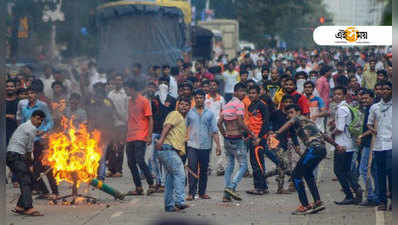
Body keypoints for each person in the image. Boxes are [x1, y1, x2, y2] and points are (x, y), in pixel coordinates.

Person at [273, 104, 339, 215]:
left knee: (296, 176)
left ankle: (305, 205)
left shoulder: (298, 118)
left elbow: (290, 122)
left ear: (298, 112)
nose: (289, 116)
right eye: (287, 114)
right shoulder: (309, 122)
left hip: (314, 149)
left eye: (291, 112)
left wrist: (276, 133)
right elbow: (324, 136)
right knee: (308, 174)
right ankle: (317, 202)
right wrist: (337, 146)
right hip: (321, 150)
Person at [246, 84, 287, 195]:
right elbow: (251, 123)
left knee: (258, 164)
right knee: (255, 163)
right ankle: (260, 186)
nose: (251, 95)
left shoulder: (262, 105)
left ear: (258, 94)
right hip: (252, 138)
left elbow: (265, 122)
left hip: (259, 139)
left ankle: (260, 188)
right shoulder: (250, 106)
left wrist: (259, 137)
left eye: (254, 93)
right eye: (250, 93)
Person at [217, 82, 254, 202]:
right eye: (241, 91)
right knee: (243, 166)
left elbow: (219, 123)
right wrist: (251, 133)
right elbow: (240, 122)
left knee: (230, 165)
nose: (243, 93)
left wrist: (224, 134)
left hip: (228, 138)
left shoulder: (227, 104)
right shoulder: (239, 104)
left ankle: (226, 195)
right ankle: (232, 187)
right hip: (237, 138)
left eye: (245, 91)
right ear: (235, 92)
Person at [7, 110, 46, 217]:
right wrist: (30, 165)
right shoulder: (31, 128)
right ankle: (28, 207)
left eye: (41, 120)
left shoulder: (25, 126)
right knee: (26, 180)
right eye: (38, 119)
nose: (39, 122)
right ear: (32, 117)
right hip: (15, 155)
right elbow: (29, 150)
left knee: (30, 180)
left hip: (14, 155)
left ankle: (20, 206)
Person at [155, 98, 191, 212]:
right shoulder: (175, 114)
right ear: (177, 105)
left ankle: (169, 205)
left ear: (189, 107)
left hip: (170, 151)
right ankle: (179, 201)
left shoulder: (182, 120)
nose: (184, 106)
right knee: (180, 174)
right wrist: (160, 140)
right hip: (167, 149)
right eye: (182, 104)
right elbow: (167, 126)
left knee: (170, 179)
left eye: (186, 105)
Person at [186, 89, 221, 201]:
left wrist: (218, 146)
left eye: (201, 97)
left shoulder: (210, 114)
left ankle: (202, 192)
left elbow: (214, 130)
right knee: (192, 168)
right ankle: (191, 193)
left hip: (206, 145)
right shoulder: (189, 113)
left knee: (204, 170)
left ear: (204, 99)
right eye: (196, 97)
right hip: (192, 145)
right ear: (194, 99)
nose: (199, 99)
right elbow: (183, 128)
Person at [124, 79, 156, 195]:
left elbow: (150, 119)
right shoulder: (129, 102)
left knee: (140, 160)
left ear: (132, 89)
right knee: (131, 162)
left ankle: (151, 184)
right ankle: (138, 188)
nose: (125, 91)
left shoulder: (144, 101)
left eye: (126, 89)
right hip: (130, 136)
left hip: (141, 135)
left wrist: (149, 135)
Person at [331, 86, 363, 205]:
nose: (337, 96)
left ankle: (350, 194)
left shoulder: (341, 109)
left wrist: (331, 133)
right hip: (349, 143)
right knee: (346, 170)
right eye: (335, 94)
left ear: (344, 96)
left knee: (338, 171)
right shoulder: (347, 107)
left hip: (342, 144)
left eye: (339, 94)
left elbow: (339, 128)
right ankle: (356, 189)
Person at [367, 81, 392, 211]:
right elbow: (369, 123)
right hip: (379, 145)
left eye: (387, 89)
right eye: (382, 89)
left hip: (392, 145)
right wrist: (373, 130)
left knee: (392, 173)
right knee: (380, 174)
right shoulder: (375, 107)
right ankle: (382, 201)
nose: (384, 91)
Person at [150, 76, 176, 191]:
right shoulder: (154, 100)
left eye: (165, 83)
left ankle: (165, 183)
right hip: (155, 132)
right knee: (153, 158)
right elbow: (151, 116)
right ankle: (158, 181)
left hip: (167, 133)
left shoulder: (172, 100)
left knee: (165, 158)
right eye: (161, 83)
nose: (163, 85)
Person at [356, 89, 379, 206]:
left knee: (364, 170)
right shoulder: (368, 109)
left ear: (372, 98)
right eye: (362, 98)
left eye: (366, 98)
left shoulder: (373, 108)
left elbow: (374, 127)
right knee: (373, 170)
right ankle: (376, 194)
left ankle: (371, 196)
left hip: (371, 144)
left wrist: (361, 136)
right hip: (368, 143)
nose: (364, 100)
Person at [106, 74, 129, 177]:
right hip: (111, 124)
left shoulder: (125, 95)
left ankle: (119, 170)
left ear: (122, 82)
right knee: (111, 147)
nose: (118, 82)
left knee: (120, 147)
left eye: (120, 80)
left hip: (122, 124)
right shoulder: (110, 94)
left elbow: (128, 110)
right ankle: (111, 169)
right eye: (116, 80)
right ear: (114, 82)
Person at [205, 80, 226, 176]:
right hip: (206, 126)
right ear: (208, 87)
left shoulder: (221, 99)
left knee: (219, 145)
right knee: (207, 146)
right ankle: (207, 166)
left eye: (214, 85)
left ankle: (220, 167)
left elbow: (224, 112)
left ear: (217, 87)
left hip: (218, 125)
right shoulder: (205, 98)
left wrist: (222, 124)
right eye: (211, 85)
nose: (212, 87)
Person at [6, 79, 19, 187]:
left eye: (11, 86)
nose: (9, 88)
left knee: (14, 155)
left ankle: (15, 179)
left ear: (15, 88)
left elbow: (22, 117)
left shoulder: (19, 102)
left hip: (15, 131)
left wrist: (12, 117)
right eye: (7, 86)